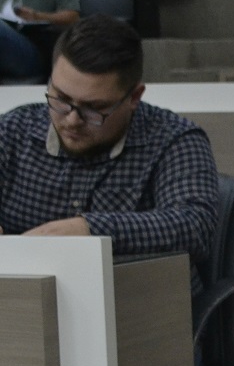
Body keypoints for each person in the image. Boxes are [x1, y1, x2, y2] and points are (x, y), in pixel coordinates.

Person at [0, 15, 219, 295]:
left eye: (93, 109)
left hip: (141, 312)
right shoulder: (13, 130)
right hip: (28, 314)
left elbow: (195, 227)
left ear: (134, 97)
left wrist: (90, 230)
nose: (71, 120)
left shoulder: (174, 140)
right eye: (61, 99)